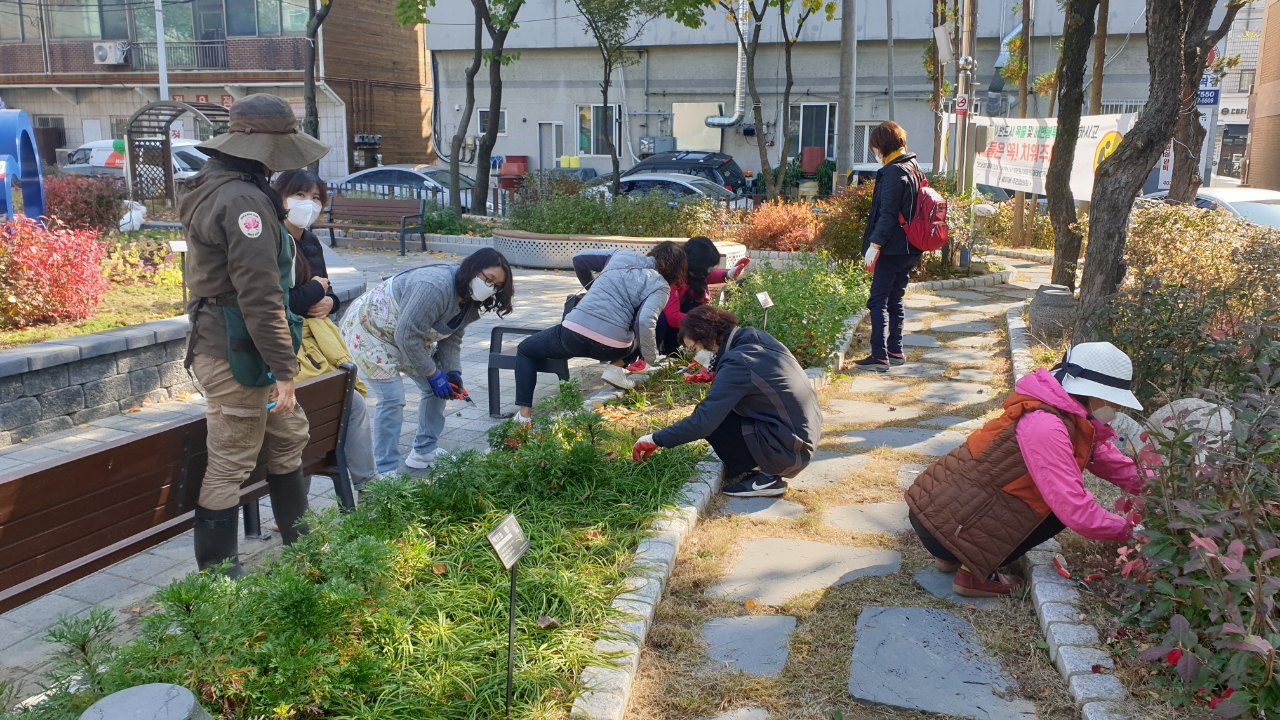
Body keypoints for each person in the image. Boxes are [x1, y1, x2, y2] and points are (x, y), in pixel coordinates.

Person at [179, 93, 331, 576]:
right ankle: (220, 582)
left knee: (289, 434)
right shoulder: (241, 199)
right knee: (231, 461)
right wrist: (285, 370)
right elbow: (260, 295)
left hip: (243, 345)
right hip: (234, 350)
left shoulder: (226, 185)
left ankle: (301, 547)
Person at [905, 342, 1147, 598]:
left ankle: (952, 555)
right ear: (1091, 394)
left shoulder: (1061, 413)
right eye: (1113, 400)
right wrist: (1132, 531)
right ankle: (972, 575)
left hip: (939, 517)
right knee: (1055, 511)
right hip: (950, 523)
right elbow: (1076, 510)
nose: (1116, 408)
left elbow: (1111, 462)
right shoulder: (1046, 426)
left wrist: (1159, 487)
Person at [339, 248, 513, 473]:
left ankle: (424, 451)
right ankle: (385, 470)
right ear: (473, 269)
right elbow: (406, 336)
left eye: (496, 286)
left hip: (405, 336)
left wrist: (452, 372)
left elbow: (452, 338)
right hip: (370, 331)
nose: (490, 288)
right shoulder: (434, 286)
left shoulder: (469, 299)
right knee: (392, 398)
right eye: (489, 280)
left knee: (436, 390)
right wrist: (433, 374)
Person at [631, 305, 822, 498]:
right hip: (798, 438)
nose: (696, 357)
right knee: (721, 410)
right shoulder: (753, 339)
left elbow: (703, 422)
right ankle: (764, 466)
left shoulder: (739, 362)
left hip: (789, 452)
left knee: (714, 421)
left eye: (694, 349)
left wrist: (655, 439)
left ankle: (765, 477)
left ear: (708, 337)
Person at [272, 170, 378, 493]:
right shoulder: (273, 240)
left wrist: (330, 301)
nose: (309, 204)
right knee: (321, 410)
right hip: (291, 349)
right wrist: (317, 292)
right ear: (281, 197)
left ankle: (368, 488)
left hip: (317, 345)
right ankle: (300, 505)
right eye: (300, 195)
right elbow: (277, 302)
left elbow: (325, 289)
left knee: (350, 403)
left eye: (316, 197)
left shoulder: (311, 241)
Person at [514, 243, 684, 420]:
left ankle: (524, 417)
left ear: (653, 252)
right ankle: (615, 367)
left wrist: (593, 288)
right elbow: (645, 321)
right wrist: (648, 359)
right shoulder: (662, 287)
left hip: (573, 335)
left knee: (525, 350)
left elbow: (579, 259)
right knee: (643, 334)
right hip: (614, 347)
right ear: (677, 271)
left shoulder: (621, 255)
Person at [855, 120, 926, 373]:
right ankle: (895, 350)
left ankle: (879, 355)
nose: (875, 152)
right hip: (911, 247)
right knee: (895, 299)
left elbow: (887, 214)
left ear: (883, 146)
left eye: (875, 147)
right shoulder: (914, 166)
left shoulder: (893, 172)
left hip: (892, 248)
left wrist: (875, 245)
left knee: (878, 301)